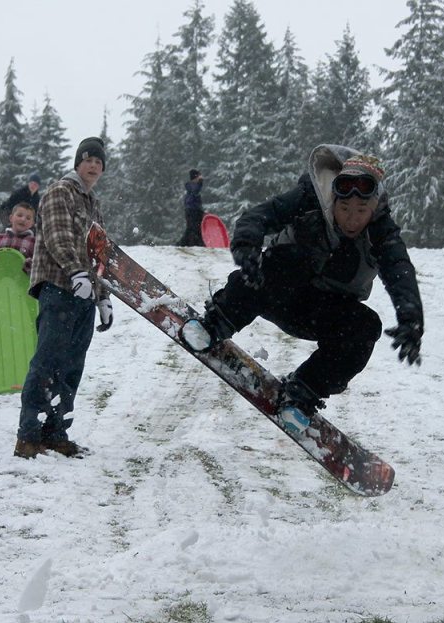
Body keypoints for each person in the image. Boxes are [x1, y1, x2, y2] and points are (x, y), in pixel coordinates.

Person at [178, 145, 424, 433]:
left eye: (362, 211)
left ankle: (303, 391)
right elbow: (258, 216)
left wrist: (410, 319)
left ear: (375, 206)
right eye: (345, 209)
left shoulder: (382, 230)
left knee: (366, 327)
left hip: (324, 311)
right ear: (333, 199)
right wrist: (247, 248)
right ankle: (218, 322)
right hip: (276, 290)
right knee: (273, 264)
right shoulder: (309, 198)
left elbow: (400, 271)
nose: (352, 219)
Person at [14, 137, 113, 459]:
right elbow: (58, 236)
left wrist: (102, 295)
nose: (93, 166)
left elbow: (98, 251)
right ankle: (29, 435)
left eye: (98, 162)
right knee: (48, 362)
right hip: (59, 287)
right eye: (88, 160)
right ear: (77, 163)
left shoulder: (92, 202)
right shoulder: (61, 191)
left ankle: (57, 433)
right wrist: (76, 272)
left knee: (72, 366)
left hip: (84, 291)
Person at [0, 202, 36, 272]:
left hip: (21, 282)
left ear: (32, 224)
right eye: (19, 215)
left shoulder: (35, 243)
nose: (23, 219)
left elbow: (39, 268)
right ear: (11, 218)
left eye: (28, 218)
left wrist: (29, 264)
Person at [176, 169, 205, 246]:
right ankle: (186, 243)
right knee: (193, 228)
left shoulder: (192, 186)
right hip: (192, 210)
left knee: (195, 228)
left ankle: (195, 243)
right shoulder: (191, 185)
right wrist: (200, 182)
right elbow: (195, 191)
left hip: (195, 210)